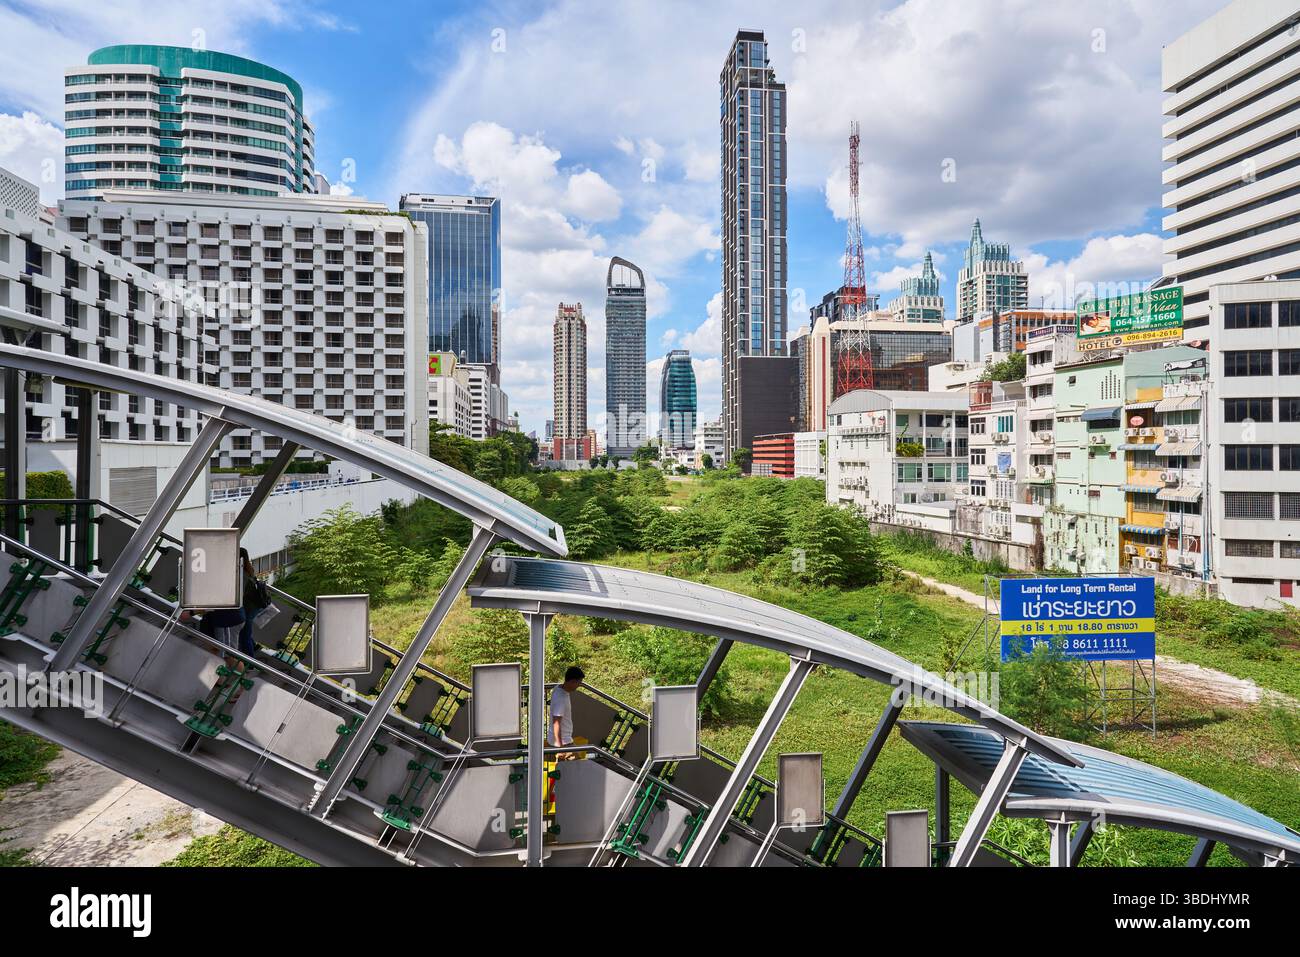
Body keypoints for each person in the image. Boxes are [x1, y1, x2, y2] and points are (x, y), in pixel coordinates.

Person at [548, 666, 587, 759]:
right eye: (579, 682)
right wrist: (560, 747)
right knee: (577, 767)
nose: (579, 685)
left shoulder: (557, 688)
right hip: (564, 743)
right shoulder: (561, 699)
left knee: (566, 769)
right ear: (572, 681)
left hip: (560, 740)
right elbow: (556, 723)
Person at [237, 547, 268, 658]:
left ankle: (249, 661)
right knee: (245, 631)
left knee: (244, 634)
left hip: (248, 607)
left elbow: (240, 593)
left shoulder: (242, 574)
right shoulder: (248, 569)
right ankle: (253, 646)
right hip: (253, 606)